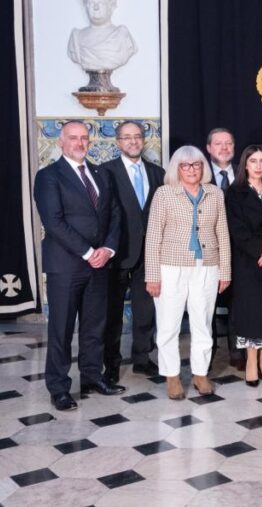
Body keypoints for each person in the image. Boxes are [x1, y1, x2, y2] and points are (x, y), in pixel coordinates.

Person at [34, 121, 124, 411]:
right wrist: (88, 252)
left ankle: (92, 376)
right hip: (66, 265)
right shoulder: (48, 176)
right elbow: (54, 222)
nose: (80, 143)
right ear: (61, 142)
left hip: (100, 264)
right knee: (61, 328)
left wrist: (108, 249)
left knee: (94, 326)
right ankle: (59, 387)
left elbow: (115, 214)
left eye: (84, 138)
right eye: (73, 138)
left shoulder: (101, 174)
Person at [145, 146, 231, 399]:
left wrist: (225, 270)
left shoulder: (215, 194)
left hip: (207, 266)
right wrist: (152, 275)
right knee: (168, 324)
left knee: (203, 323)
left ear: (203, 167)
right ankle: (172, 376)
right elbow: (153, 237)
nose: (192, 170)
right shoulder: (164, 194)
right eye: (185, 165)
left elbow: (222, 233)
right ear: (177, 168)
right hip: (170, 267)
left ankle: (200, 374)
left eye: (196, 165)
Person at [99, 120, 164, 382]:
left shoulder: (157, 173)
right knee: (112, 312)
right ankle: (111, 364)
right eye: (127, 137)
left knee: (145, 310)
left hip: (149, 254)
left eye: (137, 136)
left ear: (143, 139)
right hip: (116, 253)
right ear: (118, 142)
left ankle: (142, 359)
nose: (133, 141)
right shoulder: (105, 171)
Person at [225, 145, 262, 387]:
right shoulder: (234, 192)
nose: (258, 166)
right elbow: (236, 229)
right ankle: (251, 362)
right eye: (253, 161)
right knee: (251, 312)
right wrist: (261, 249)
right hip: (247, 260)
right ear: (245, 164)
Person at [206, 127, 242, 369]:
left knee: (237, 304)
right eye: (218, 144)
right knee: (205, 306)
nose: (224, 148)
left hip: (239, 251)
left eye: (228, 143)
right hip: (208, 250)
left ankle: (237, 353)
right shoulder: (198, 173)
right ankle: (206, 356)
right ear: (209, 148)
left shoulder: (245, 172)